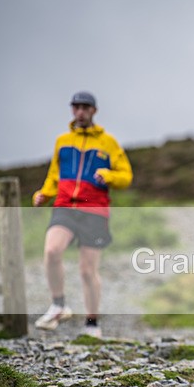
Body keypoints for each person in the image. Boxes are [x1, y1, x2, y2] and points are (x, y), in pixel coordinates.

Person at [32, 91, 133, 338]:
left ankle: (91, 324)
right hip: (65, 206)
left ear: (94, 111)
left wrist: (108, 176)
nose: (80, 112)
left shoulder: (108, 143)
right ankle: (58, 304)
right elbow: (54, 174)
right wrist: (44, 193)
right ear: (72, 110)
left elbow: (126, 176)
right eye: (76, 107)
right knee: (52, 250)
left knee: (88, 270)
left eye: (85, 107)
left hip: (94, 210)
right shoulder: (62, 141)